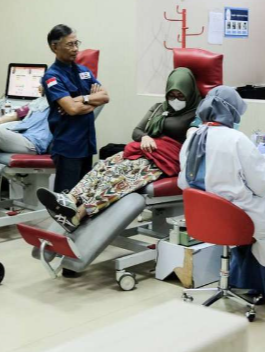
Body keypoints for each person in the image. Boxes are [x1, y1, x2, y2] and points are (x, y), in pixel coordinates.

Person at [178, 86, 265, 315]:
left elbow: (183, 181)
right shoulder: (236, 139)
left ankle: (243, 279)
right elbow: (263, 184)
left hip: (204, 217)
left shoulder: (192, 137)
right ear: (232, 112)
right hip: (238, 215)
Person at [37, 67, 201, 233]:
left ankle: (78, 215)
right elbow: (137, 131)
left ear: (190, 93)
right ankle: (70, 199)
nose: (176, 99)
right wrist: (145, 137)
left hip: (166, 160)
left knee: (120, 173)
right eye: (172, 95)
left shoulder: (196, 113)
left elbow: (194, 141)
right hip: (144, 151)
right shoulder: (159, 108)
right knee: (105, 165)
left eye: (181, 95)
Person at [41, 24, 110, 193]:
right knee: (66, 199)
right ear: (55, 47)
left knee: (82, 197)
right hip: (68, 147)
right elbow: (72, 109)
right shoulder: (52, 77)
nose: (75, 49)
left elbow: (105, 97)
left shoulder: (84, 71)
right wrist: (92, 101)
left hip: (87, 144)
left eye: (76, 43)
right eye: (69, 44)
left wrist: (82, 99)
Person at [0, 90, 52, 156]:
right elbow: (16, 115)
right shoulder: (39, 102)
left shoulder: (58, 103)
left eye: (42, 85)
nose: (39, 87)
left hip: (33, 142)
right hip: (20, 135)